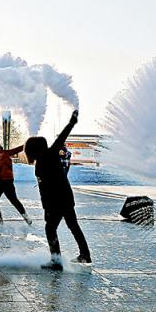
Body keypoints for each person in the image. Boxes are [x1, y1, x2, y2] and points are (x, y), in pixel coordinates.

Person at [24, 110, 91, 269]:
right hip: (65, 197)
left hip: (57, 201)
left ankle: (56, 261)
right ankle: (85, 254)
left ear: (34, 150)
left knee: (50, 228)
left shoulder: (48, 156)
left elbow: (61, 137)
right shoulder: (45, 158)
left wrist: (71, 123)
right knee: (73, 225)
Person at [0, 141, 31, 225]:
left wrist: (27, 144)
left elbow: (17, 149)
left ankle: (26, 217)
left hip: (7, 181)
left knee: (14, 200)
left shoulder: (5, 153)